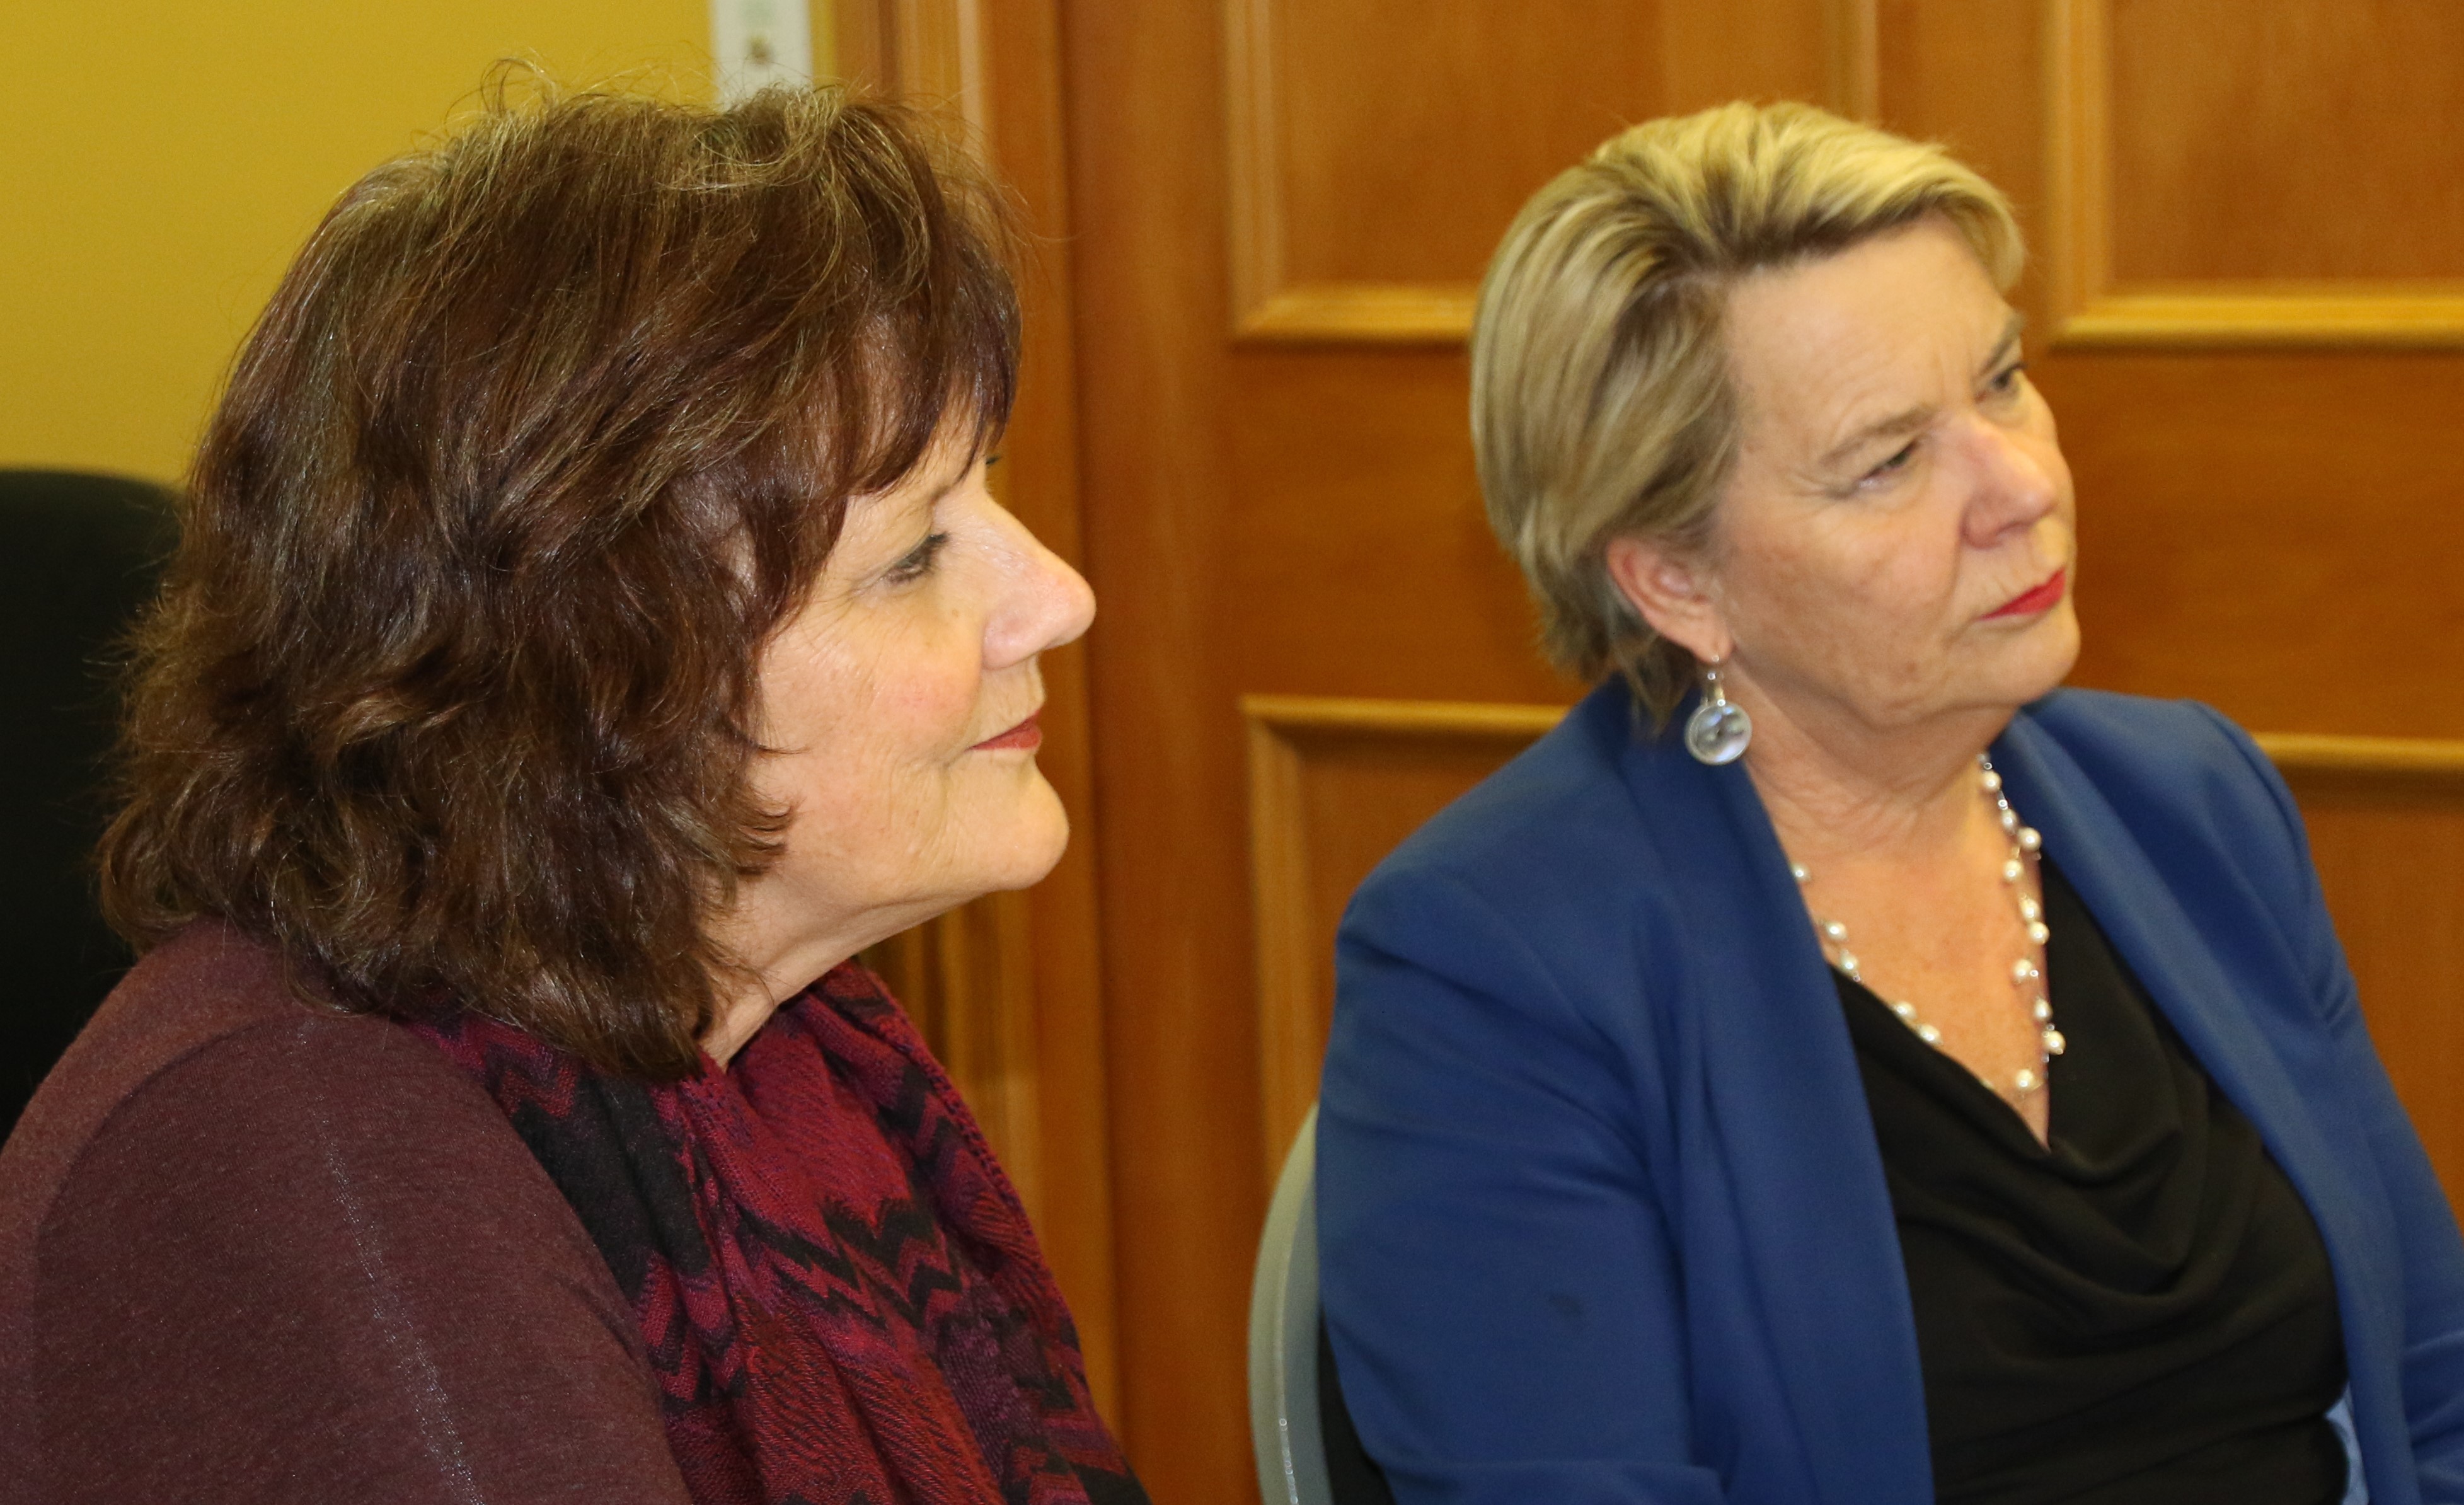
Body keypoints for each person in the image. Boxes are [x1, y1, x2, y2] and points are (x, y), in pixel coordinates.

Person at [0, 83, 1145, 1505]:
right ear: (598, 676)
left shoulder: (777, 1054)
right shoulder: (320, 1168)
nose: (1059, 597)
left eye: (991, 493)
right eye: (913, 556)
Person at [1315, 101, 2464, 1505]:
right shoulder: (1490, 962)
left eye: (2002, 381)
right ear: (1677, 581)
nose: (2021, 485)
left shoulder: (2191, 803)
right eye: (1887, 460)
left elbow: (2434, 1379)